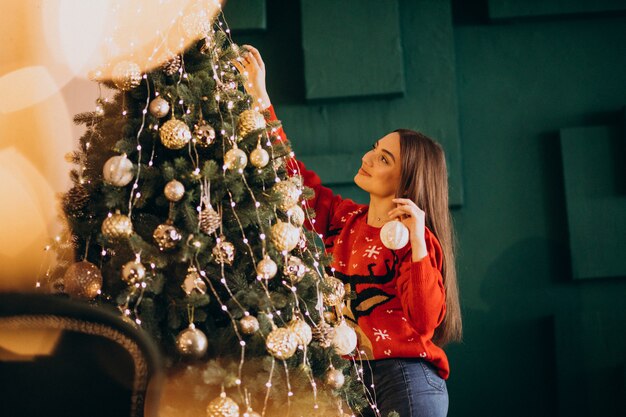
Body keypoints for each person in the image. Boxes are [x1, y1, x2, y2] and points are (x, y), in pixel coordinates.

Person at [234, 45, 462, 417]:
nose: (367, 159)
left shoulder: (416, 240)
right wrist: (261, 97)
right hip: (349, 379)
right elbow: (292, 178)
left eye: (384, 158)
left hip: (404, 378)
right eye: (374, 149)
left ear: (407, 179)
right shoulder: (344, 219)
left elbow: (424, 320)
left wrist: (418, 242)